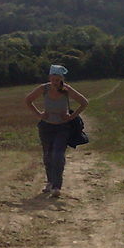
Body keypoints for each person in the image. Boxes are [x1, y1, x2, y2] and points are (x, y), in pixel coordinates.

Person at [24, 64, 89, 198]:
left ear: (61, 79)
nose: (55, 82)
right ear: (49, 77)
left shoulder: (66, 89)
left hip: (62, 127)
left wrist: (71, 116)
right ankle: (50, 181)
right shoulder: (43, 88)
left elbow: (84, 102)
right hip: (46, 127)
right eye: (53, 78)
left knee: (58, 156)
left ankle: (56, 186)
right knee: (48, 155)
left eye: (57, 79)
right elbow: (28, 100)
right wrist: (39, 114)